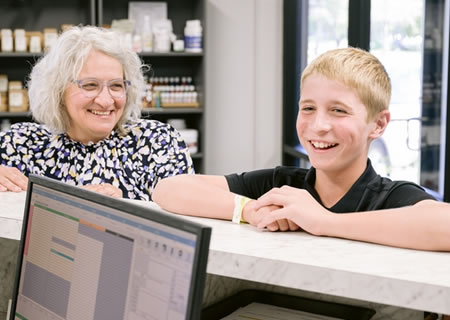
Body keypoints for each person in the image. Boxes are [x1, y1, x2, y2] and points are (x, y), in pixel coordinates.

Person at [153, 47, 450, 251]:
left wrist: (325, 221)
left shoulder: (390, 197)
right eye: (308, 108)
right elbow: (168, 189)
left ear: (378, 124)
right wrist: (249, 210)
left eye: (338, 111)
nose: (318, 125)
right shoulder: (281, 188)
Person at [0, 25, 193, 199]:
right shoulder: (20, 144)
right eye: (90, 85)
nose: (106, 100)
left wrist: (126, 210)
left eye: (116, 85)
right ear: (58, 90)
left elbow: (185, 222)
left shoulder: (157, 142)